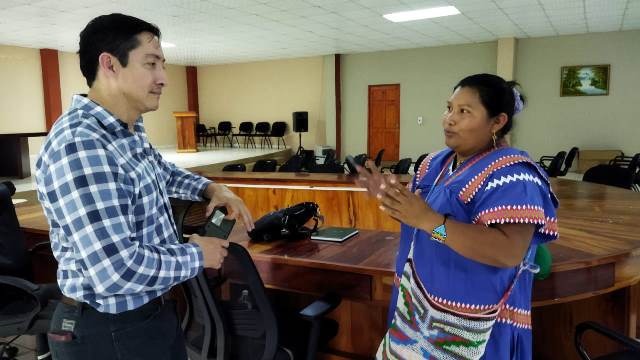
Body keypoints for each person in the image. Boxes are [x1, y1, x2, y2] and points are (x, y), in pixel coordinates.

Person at [35, 13, 254, 360]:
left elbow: (160, 171)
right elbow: (115, 272)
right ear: (109, 64)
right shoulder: (82, 144)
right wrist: (199, 255)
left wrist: (211, 189)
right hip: (108, 330)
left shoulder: (127, 129)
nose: (163, 78)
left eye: (162, 65)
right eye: (151, 64)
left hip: (148, 313)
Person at [357, 74, 558, 359]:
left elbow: (508, 251)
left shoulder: (514, 176)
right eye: (449, 108)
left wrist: (428, 220)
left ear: (497, 122)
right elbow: (433, 231)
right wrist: (397, 203)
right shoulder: (433, 164)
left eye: (464, 112)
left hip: (474, 325)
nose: (448, 119)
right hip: (417, 310)